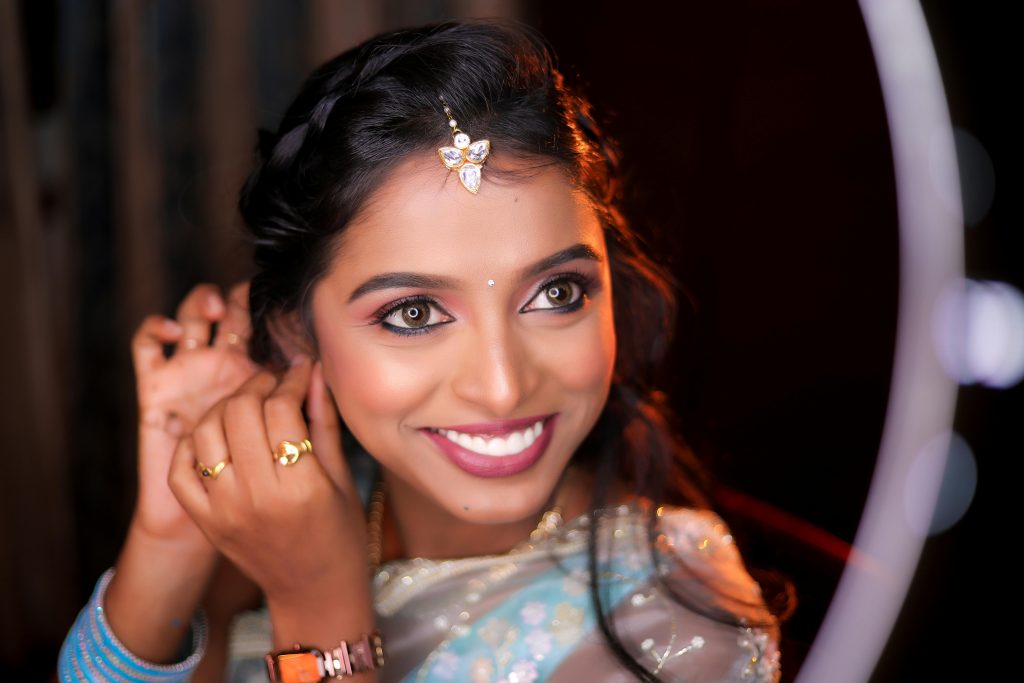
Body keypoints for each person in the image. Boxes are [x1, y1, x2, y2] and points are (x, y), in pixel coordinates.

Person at [58, 19, 782, 683]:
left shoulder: (683, 636)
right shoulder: (294, 500)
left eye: (557, 294)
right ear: (297, 335)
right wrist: (175, 532)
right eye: (414, 311)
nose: (501, 388)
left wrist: (316, 602)